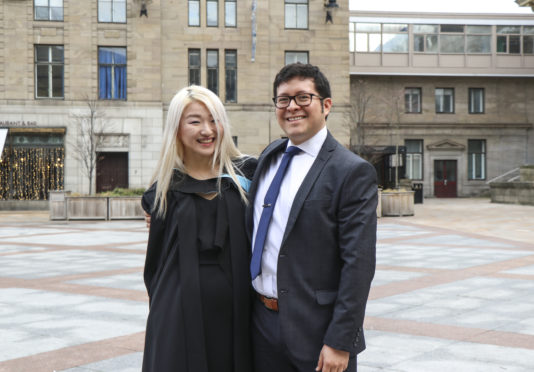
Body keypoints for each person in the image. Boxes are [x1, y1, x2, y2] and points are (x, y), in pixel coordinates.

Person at [246, 63, 377, 372]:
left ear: (326, 105)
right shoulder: (269, 157)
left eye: (303, 97)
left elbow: (358, 264)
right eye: (283, 99)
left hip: (318, 334)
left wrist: (340, 341)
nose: (292, 107)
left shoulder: (351, 171)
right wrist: (156, 201)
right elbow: (214, 169)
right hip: (261, 324)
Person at [141, 85, 256, 372]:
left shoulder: (249, 176)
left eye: (214, 119)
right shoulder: (164, 192)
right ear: (177, 129)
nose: (208, 130)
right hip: (179, 313)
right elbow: (156, 262)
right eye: (195, 121)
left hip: (240, 312)